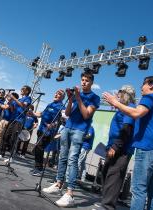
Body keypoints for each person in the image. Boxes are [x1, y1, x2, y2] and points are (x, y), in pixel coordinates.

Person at [102, 76, 153, 210]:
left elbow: (137, 113)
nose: (141, 88)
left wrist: (116, 103)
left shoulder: (149, 97)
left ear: (150, 85)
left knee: (139, 189)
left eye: (143, 84)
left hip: (147, 149)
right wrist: (119, 106)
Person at [42, 72, 100, 207]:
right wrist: (70, 99)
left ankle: (70, 193)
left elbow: (86, 115)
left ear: (91, 82)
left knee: (73, 159)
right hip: (67, 127)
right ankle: (58, 183)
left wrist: (78, 98)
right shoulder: (75, 96)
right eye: (82, 80)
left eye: (87, 80)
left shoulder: (94, 98)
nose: (84, 82)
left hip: (79, 130)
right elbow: (67, 113)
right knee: (62, 157)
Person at [96, 85, 136, 210]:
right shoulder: (122, 108)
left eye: (120, 94)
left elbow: (127, 129)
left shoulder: (130, 108)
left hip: (121, 149)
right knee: (105, 173)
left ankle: (107, 206)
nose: (117, 96)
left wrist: (115, 146)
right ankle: (105, 202)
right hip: (112, 147)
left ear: (126, 95)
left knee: (114, 177)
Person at [31, 89, 65, 176]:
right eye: (56, 93)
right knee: (38, 148)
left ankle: (39, 169)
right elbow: (41, 114)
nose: (56, 94)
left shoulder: (61, 107)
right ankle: (37, 167)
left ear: (62, 97)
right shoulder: (50, 104)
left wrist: (53, 124)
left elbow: (61, 120)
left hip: (48, 132)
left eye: (59, 94)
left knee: (39, 147)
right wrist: (33, 113)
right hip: (41, 129)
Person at [2, 85, 32, 162]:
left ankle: (11, 157)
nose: (21, 90)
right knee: (6, 135)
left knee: (13, 138)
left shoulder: (28, 98)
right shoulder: (20, 99)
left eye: (23, 89)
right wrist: (11, 101)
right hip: (13, 119)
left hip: (19, 121)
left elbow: (23, 105)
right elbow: (13, 109)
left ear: (27, 91)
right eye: (21, 88)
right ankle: (1, 153)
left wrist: (14, 98)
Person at [0, 92, 19, 159]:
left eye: (10, 96)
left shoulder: (13, 103)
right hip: (6, 121)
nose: (8, 96)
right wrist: (6, 96)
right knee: (1, 136)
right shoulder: (11, 102)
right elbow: (5, 103)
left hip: (5, 121)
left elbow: (5, 107)